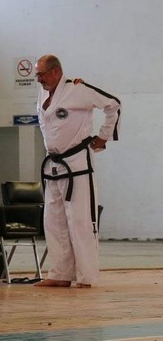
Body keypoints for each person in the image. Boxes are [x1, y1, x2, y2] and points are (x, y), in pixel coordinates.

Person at [34, 54, 121, 288]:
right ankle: (60, 274)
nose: (38, 78)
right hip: (53, 165)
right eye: (37, 74)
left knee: (81, 221)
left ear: (55, 71)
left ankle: (87, 277)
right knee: (53, 222)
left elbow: (113, 104)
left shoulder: (78, 90)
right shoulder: (42, 93)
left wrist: (103, 137)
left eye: (41, 74)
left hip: (78, 165)